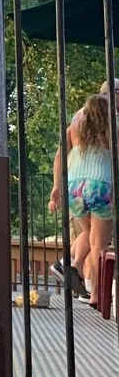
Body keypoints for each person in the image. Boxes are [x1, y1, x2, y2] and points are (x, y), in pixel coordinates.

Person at [50, 89, 117, 306]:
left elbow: (60, 155)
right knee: (100, 243)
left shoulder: (76, 124)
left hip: (74, 186)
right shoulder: (112, 126)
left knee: (88, 233)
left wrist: (56, 187)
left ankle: (71, 264)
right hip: (100, 185)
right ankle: (97, 296)